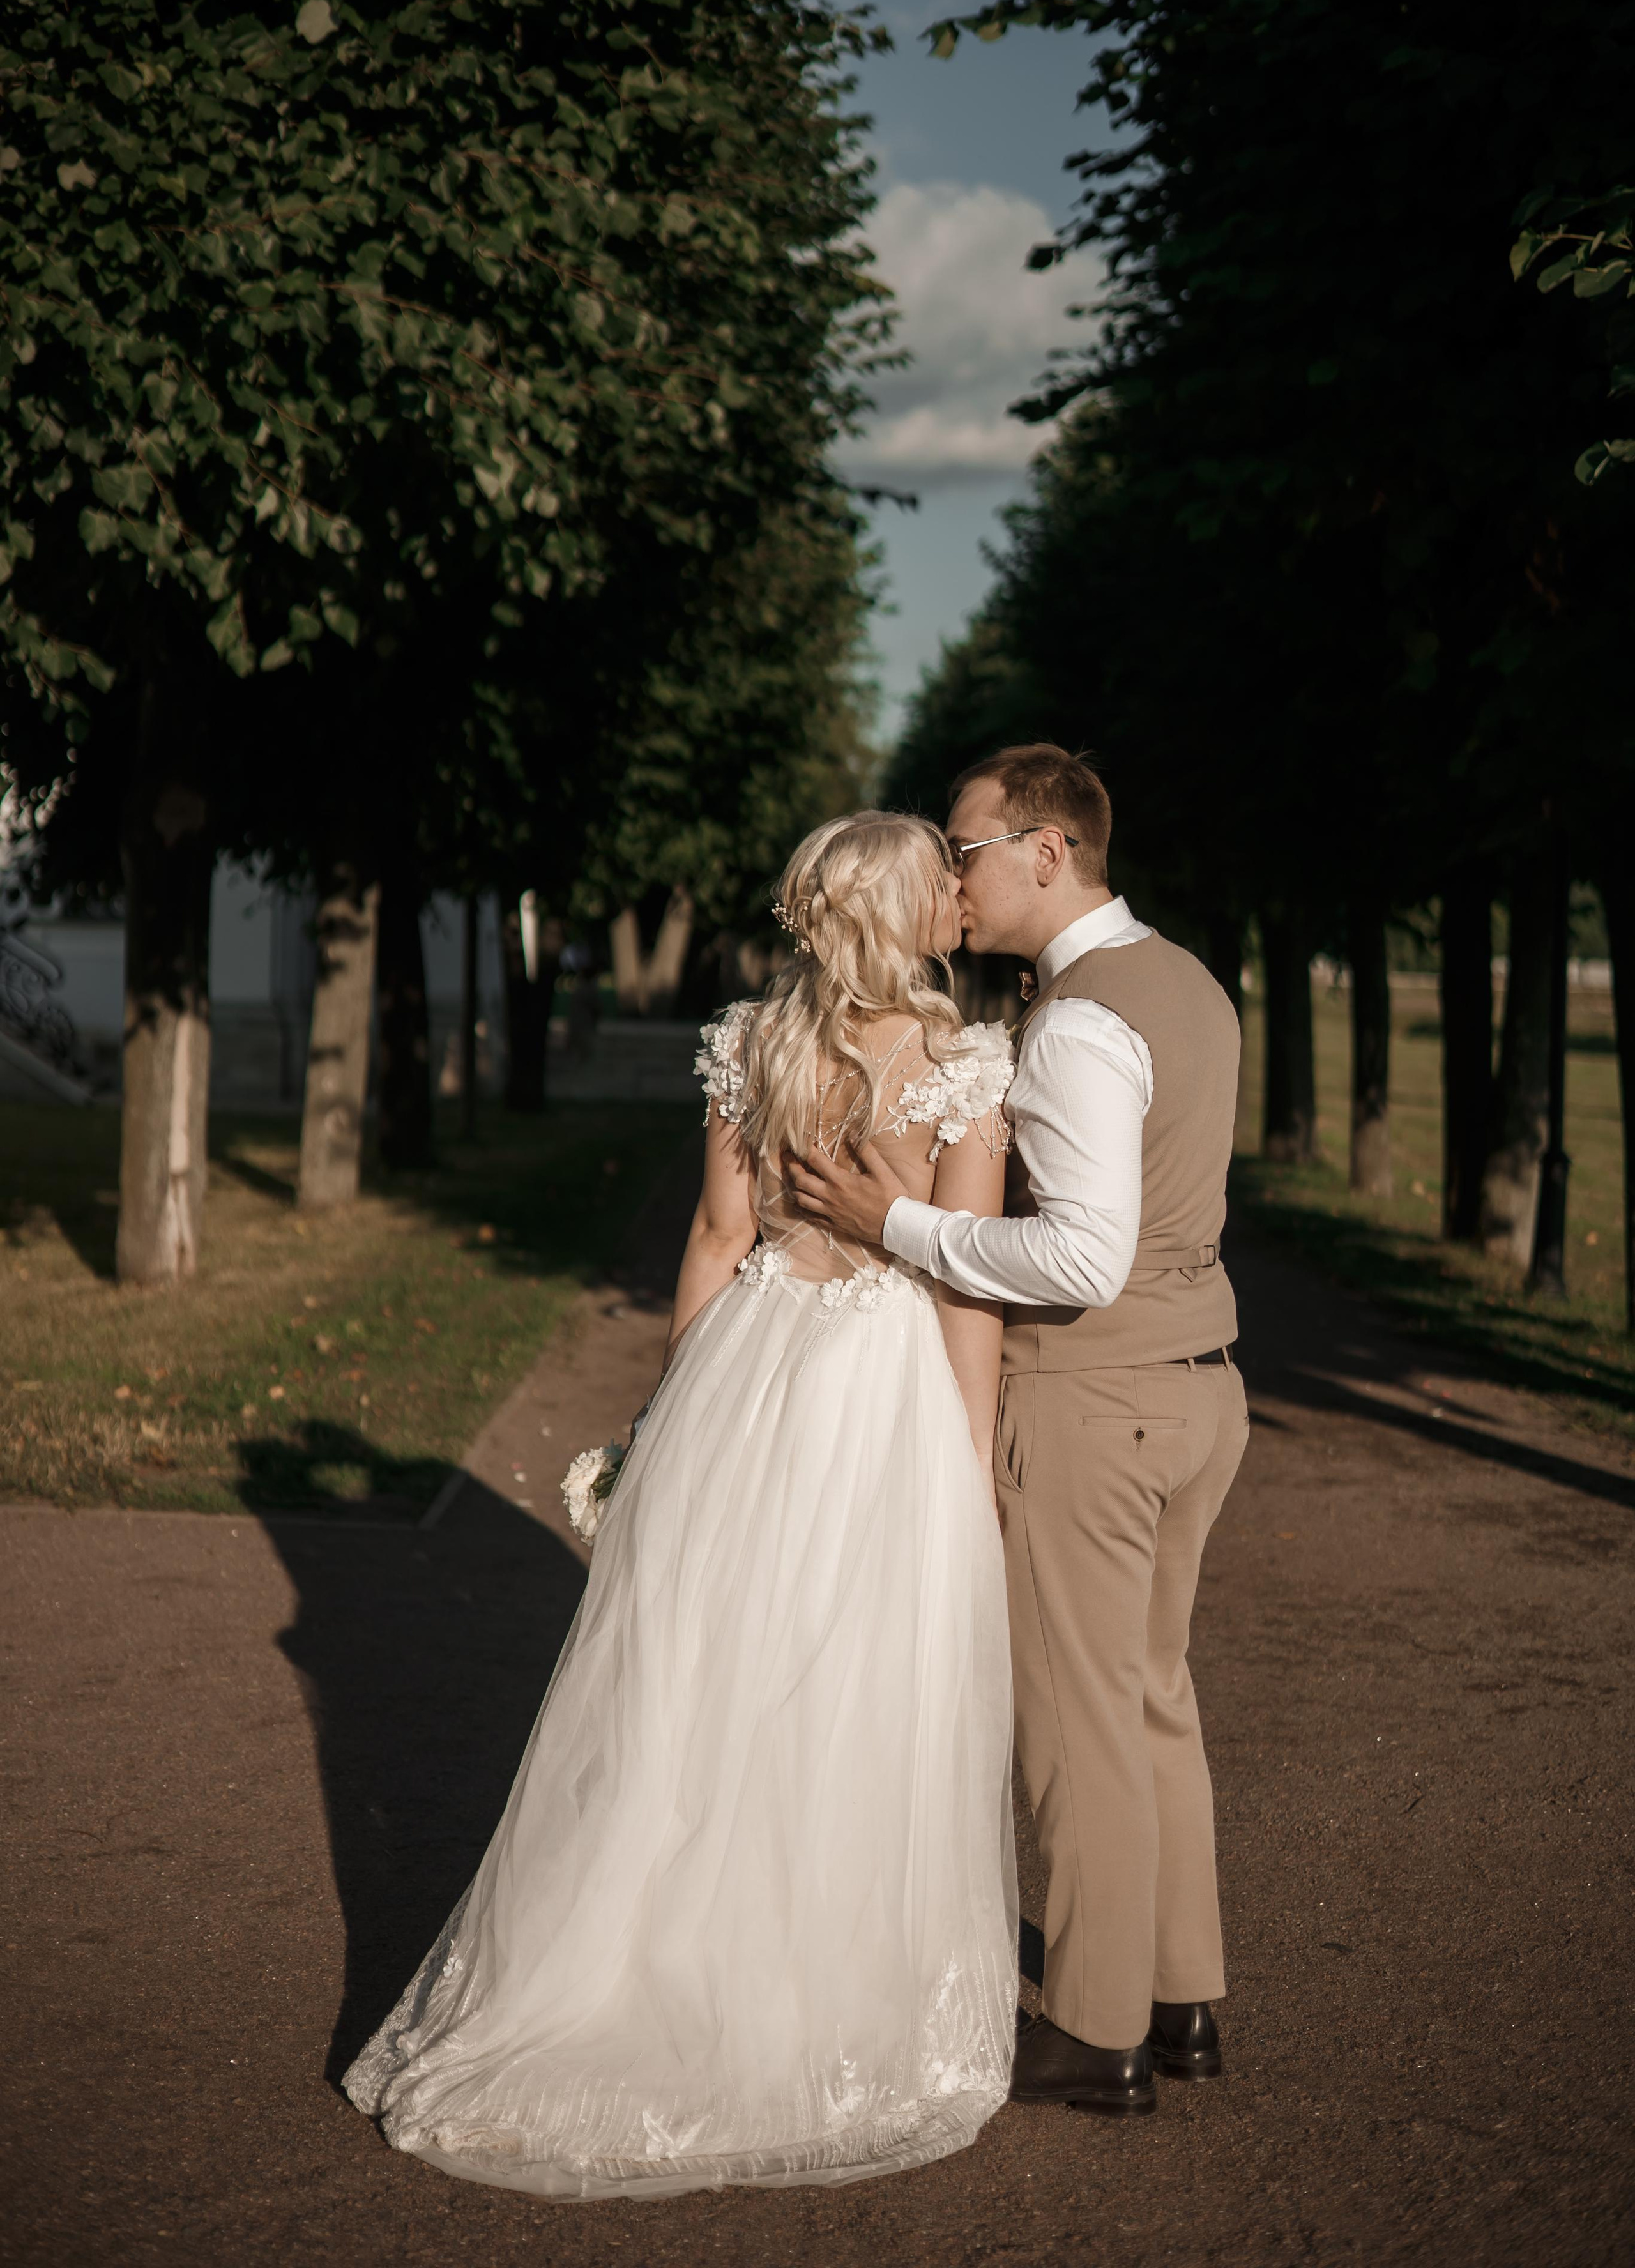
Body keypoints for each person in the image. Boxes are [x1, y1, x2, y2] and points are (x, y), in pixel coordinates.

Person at [344, 811, 1019, 2199]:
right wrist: (968, 1459)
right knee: (852, 1685)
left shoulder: (751, 1043)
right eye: (939, 886)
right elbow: (963, 1283)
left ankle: (654, 1960)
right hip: (884, 1390)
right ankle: (817, 1990)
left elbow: (717, 1240)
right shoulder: (961, 1065)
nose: (959, 902)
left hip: (751, 1369)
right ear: (900, 915)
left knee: (705, 1674)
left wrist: (672, 1419)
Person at [792, 745, 1249, 2118]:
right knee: (1151, 1694)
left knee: (1076, 1725)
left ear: (1047, 851)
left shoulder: (1079, 1025)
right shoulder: (1190, 985)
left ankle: (1099, 2030)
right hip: (1197, 1387)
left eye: (966, 848)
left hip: (1097, 1403)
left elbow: (1081, 1257)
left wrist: (896, 1225)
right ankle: (1181, 1997)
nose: (953, 875)